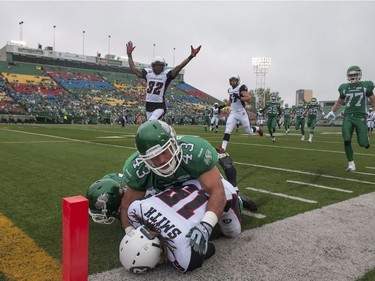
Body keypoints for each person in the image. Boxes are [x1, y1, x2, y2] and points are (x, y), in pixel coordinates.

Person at [119, 120, 242, 272]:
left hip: (201, 187)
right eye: (154, 157)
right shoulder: (139, 170)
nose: (162, 160)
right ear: (144, 158)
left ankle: (237, 196)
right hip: (170, 194)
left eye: (164, 151)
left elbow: (217, 191)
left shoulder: (194, 152)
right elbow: (126, 205)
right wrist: (131, 234)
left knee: (232, 232)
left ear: (174, 143)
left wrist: (206, 225)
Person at [126, 41, 201, 120]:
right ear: (152, 66)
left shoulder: (166, 74)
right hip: (148, 105)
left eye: (159, 65)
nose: (157, 67)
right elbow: (133, 68)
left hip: (159, 106)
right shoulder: (148, 73)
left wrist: (191, 56)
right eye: (156, 65)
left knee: (151, 123)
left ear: (163, 66)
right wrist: (129, 55)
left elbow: (179, 67)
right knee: (153, 128)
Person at [324, 65, 375, 172]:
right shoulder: (344, 87)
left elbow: (373, 100)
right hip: (348, 116)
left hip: (360, 116)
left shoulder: (366, 86)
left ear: (359, 74)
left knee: (363, 143)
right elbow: (339, 102)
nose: (353, 77)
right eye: (351, 75)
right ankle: (351, 164)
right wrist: (332, 112)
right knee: (346, 138)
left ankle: (366, 141)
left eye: (355, 74)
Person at [218, 74, 263, 151]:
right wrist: (223, 106)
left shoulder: (241, 88)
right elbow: (231, 100)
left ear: (237, 81)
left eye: (234, 80)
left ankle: (258, 128)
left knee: (249, 132)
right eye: (231, 80)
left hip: (241, 112)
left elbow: (249, 99)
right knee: (228, 129)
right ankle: (223, 148)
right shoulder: (230, 90)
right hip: (233, 112)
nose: (233, 82)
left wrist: (239, 97)